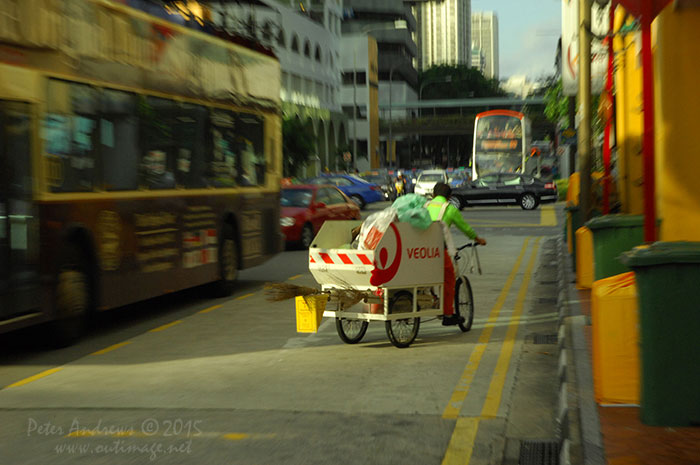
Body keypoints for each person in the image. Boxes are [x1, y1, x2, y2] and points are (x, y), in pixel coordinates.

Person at [425, 182, 487, 326]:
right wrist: (478, 239)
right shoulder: (450, 209)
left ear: (433, 195)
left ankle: (432, 297)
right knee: (449, 279)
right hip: (438, 251)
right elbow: (465, 228)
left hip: (420, 252)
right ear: (450, 197)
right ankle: (447, 313)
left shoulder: (424, 206)